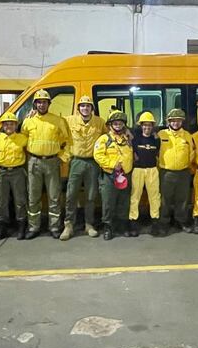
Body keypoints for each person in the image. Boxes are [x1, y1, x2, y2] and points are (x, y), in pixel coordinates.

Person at [21, 89, 71, 239]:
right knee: (33, 196)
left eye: (44, 102)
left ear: (49, 103)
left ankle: (55, 227)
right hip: (33, 161)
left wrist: (63, 157)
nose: (41, 104)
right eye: (39, 102)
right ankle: (33, 227)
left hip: (52, 162)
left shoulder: (58, 121)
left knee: (54, 196)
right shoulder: (28, 121)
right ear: (35, 104)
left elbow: (67, 141)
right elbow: (21, 141)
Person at [61, 95, 105, 241]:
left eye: (88, 106)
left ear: (92, 108)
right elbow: (53, 126)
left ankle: (89, 225)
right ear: (78, 108)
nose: (85, 108)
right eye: (82, 106)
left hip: (93, 163)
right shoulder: (69, 120)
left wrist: (128, 134)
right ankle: (68, 225)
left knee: (91, 196)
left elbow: (109, 136)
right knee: (71, 194)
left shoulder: (99, 122)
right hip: (76, 162)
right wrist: (33, 114)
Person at [93, 110, 134, 240]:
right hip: (109, 177)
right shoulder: (104, 139)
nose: (118, 125)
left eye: (120, 123)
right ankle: (108, 227)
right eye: (115, 123)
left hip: (125, 176)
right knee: (108, 203)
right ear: (110, 124)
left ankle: (122, 226)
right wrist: (112, 164)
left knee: (124, 202)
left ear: (124, 125)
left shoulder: (128, 138)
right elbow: (98, 155)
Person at [156, 108, 194, 236]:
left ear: (182, 122)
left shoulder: (188, 135)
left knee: (182, 199)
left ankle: (181, 221)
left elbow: (192, 153)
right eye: (173, 121)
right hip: (166, 172)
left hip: (184, 172)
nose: (175, 123)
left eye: (178, 121)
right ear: (168, 122)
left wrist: (188, 167)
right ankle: (164, 223)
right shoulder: (161, 135)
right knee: (165, 199)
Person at [0, 112, 28, 240]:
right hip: (2, 173)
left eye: (11, 124)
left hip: (17, 172)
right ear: (2, 125)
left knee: (20, 201)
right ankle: (2, 229)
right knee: (1, 201)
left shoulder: (22, 138)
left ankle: (21, 228)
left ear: (16, 125)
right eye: (6, 124)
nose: (8, 126)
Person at [129, 111, 161, 237]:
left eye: (149, 125)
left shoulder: (156, 140)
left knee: (154, 197)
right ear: (141, 126)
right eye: (144, 125)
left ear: (152, 126)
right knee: (135, 197)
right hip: (138, 170)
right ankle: (133, 224)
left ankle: (155, 224)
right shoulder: (135, 139)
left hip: (152, 170)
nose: (147, 127)